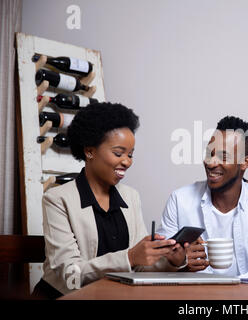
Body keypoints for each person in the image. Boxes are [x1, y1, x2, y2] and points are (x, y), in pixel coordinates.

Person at [33, 102, 187, 299]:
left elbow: (138, 270)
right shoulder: (57, 200)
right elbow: (69, 275)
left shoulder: (131, 197)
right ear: (89, 151)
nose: (127, 161)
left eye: (130, 154)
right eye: (118, 153)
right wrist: (130, 257)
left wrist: (172, 261)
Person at [158, 116, 248, 276]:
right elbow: (155, 265)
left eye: (223, 156)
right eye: (208, 153)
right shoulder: (180, 200)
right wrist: (180, 263)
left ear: (245, 163)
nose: (211, 163)